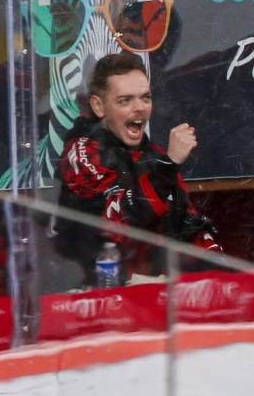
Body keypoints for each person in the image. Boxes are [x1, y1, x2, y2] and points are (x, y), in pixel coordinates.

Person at [53, 53, 222, 286]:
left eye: (145, 98)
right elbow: (117, 222)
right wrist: (168, 166)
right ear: (98, 106)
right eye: (125, 100)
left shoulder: (155, 155)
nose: (140, 108)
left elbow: (188, 223)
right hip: (104, 294)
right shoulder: (81, 151)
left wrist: (218, 275)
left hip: (160, 294)